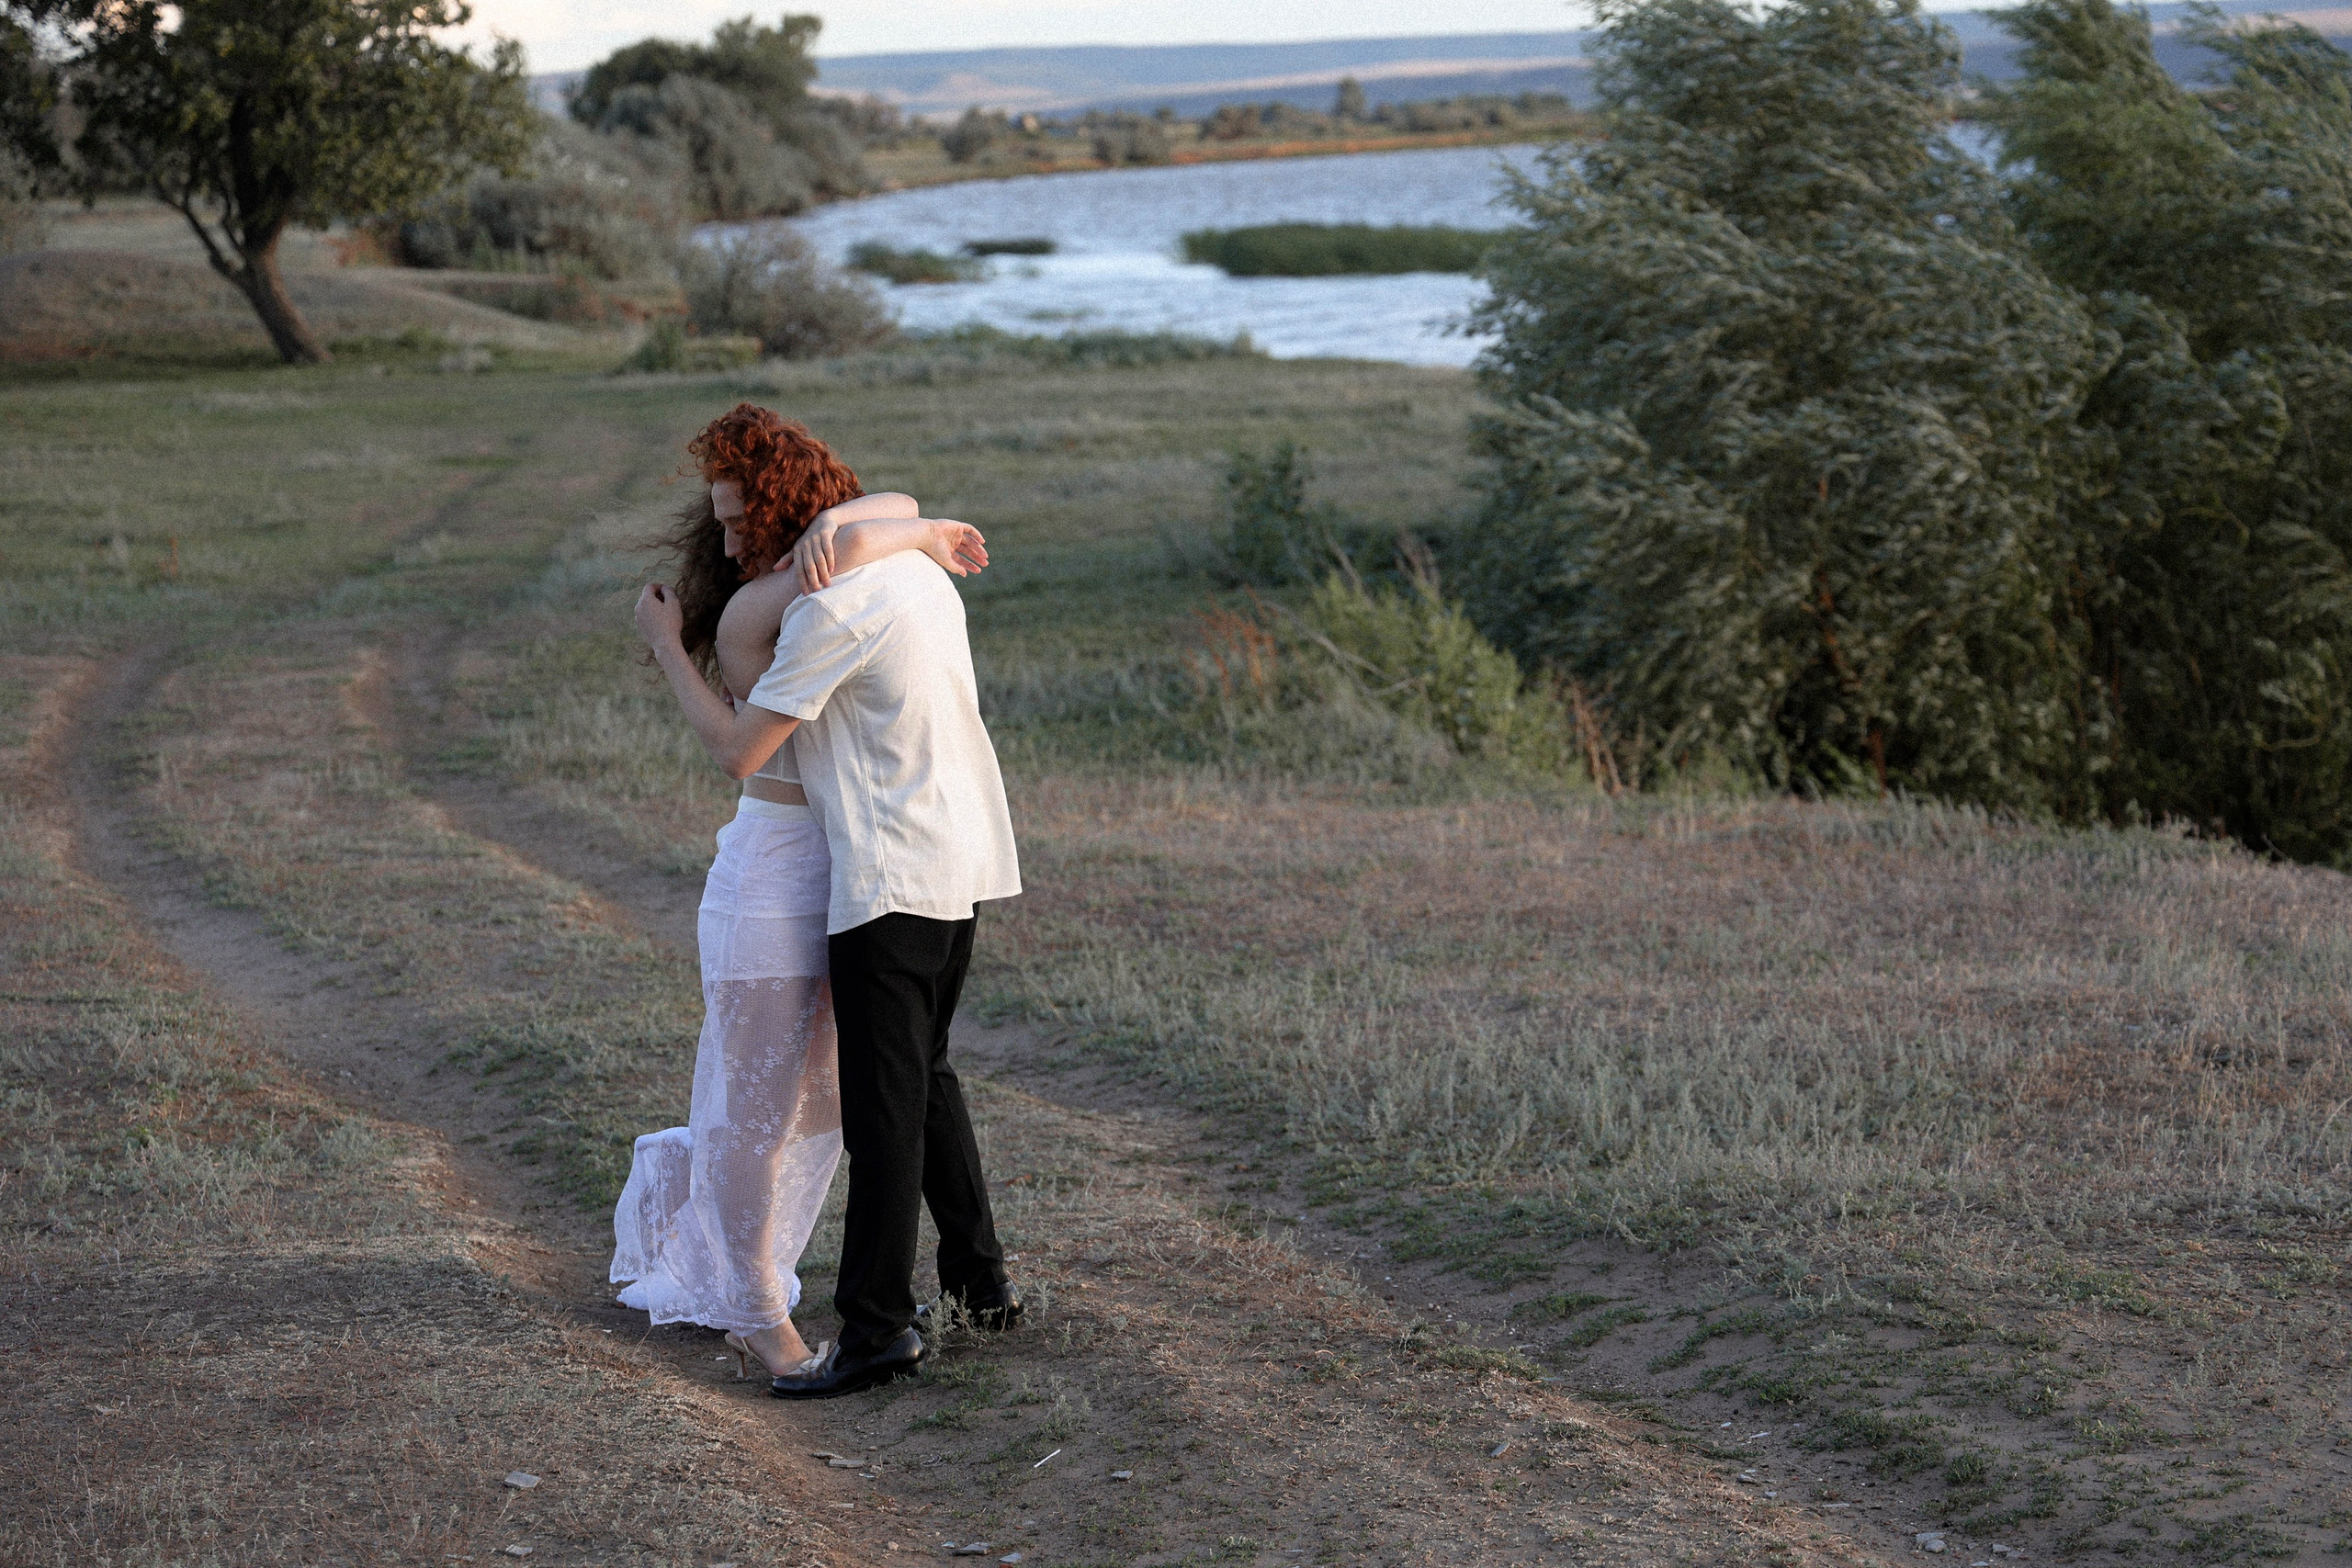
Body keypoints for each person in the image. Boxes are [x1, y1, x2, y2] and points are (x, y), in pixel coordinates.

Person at [632, 410, 1027, 1401]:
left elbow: (739, 749)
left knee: (882, 1110)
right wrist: (913, 529)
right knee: (919, 1078)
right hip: (958, 856)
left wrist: (665, 648)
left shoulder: (831, 608)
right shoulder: (913, 572)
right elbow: (884, 514)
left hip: (883, 874)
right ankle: (980, 1287)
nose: (723, 543)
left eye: (736, 522)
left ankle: (874, 1332)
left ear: (786, 514)